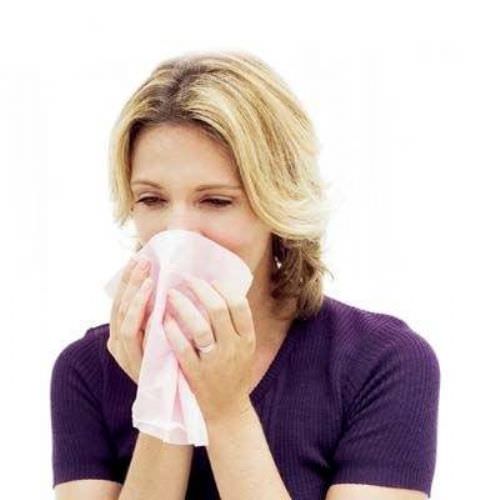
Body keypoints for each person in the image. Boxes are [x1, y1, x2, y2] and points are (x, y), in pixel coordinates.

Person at [50, 50, 440, 500]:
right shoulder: (86, 370)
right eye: (152, 199)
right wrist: (165, 394)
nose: (178, 233)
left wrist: (226, 408)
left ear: (278, 205)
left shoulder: (381, 361)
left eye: (216, 201)